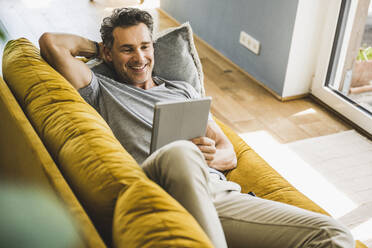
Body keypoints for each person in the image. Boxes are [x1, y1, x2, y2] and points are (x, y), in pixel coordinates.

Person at [39, 7, 355, 248]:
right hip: (156, 183)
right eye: (127, 49)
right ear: (108, 53)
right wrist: (100, 49)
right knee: (179, 151)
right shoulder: (101, 88)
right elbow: (51, 43)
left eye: (145, 46)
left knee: (333, 233)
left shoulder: (183, 90)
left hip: (214, 192)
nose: (140, 57)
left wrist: (208, 158)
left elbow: (228, 153)